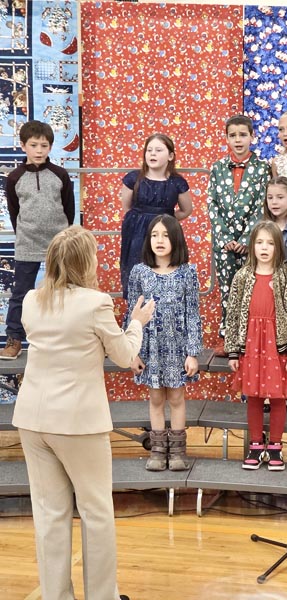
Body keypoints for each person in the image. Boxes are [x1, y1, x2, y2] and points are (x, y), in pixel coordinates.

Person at [12, 225, 154, 600]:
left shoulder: (31, 300)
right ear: (84, 262)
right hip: (77, 422)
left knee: (49, 516)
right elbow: (124, 355)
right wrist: (137, 323)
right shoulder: (96, 302)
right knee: (95, 511)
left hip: (32, 419)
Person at [127, 215, 201, 471]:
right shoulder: (139, 273)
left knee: (177, 397)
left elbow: (192, 313)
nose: (159, 240)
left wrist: (192, 352)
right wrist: (133, 351)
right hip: (151, 348)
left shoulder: (187, 273)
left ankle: (178, 451)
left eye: (166, 235)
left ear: (176, 239)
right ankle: (158, 451)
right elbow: (132, 314)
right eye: (155, 235)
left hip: (178, 347)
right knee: (156, 398)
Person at [226, 221, 287, 470]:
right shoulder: (242, 276)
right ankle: (256, 445)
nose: (264, 248)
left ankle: (276, 447)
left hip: (276, 346)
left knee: (278, 398)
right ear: (252, 246)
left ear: (279, 247)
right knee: (255, 397)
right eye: (259, 242)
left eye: (270, 243)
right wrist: (233, 350)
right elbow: (233, 314)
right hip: (250, 345)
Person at [1, 120, 74, 360]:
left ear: (51, 147)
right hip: (27, 243)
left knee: (64, 290)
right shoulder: (14, 178)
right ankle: (14, 339)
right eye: (34, 145)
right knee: (21, 292)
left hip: (58, 244)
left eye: (44, 145)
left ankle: (65, 337)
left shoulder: (60, 175)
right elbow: (14, 212)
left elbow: (68, 210)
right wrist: (26, 233)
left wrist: (62, 237)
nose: (39, 150)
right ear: (23, 146)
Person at [207, 114, 271, 355]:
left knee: (250, 290)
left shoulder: (263, 168)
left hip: (251, 244)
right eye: (232, 135)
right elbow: (211, 203)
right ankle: (227, 337)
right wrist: (225, 239)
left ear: (252, 137)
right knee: (227, 290)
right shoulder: (217, 167)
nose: (238, 140)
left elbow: (261, 206)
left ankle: (248, 338)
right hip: (224, 245)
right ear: (226, 138)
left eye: (243, 135)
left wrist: (246, 240)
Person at [119, 133, 192, 301]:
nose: (152, 154)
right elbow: (127, 208)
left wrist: (167, 220)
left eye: (158, 150)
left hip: (164, 231)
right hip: (136, 231)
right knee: (137, 271)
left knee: (164, 268)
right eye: (149, 150)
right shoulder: (133, 178)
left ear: (171, 156)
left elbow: (186, 210)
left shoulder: (177, 182)